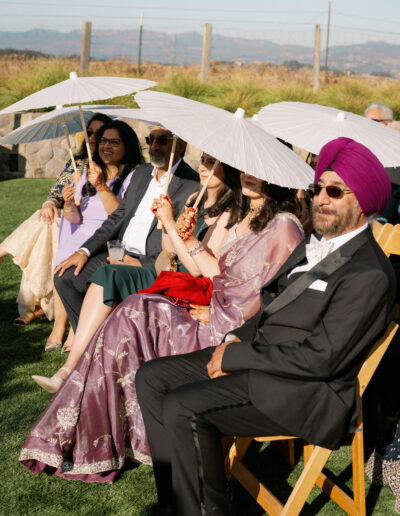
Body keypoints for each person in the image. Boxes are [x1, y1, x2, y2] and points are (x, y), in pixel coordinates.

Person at [134, 137, 396, 516]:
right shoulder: (314, 243)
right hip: (261, 359)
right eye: (318, 187)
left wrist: (236, 355)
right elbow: (272, 306)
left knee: (183, 405)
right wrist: (236, 337)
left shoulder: (369, 274)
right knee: (152, 378)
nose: (321, 198)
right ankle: (178, 501)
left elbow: (321, 359)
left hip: (305, 392)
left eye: (334, 191)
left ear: (362, 201)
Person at [20, 170, 304, 481]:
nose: (249, 175)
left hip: (229, 330)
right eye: (246, 168)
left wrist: (220, 315)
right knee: (132, 310)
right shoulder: (247, 216)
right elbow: (214, 274)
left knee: (133, 313)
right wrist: (181, 232)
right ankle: (95, 433)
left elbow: (273, 297)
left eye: (259, 170)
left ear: (277, 177)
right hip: (210, 309)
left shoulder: (285, 227)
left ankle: (98, 434)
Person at [31, 153, 244, 391]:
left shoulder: (227, 213)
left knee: (111, 275)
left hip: (188, 283)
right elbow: (169, 251)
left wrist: (174, 227)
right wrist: (166, 222)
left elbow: (196, 271)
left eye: (214, 163)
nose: (205, 167)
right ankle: (69, 369)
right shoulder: (195, 198)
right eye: (204, 160)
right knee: (107, 273)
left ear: (229, 168)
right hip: (168, 270)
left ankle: (75, 369)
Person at [53, 126, 199, 331]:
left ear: (181, 145)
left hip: (148, 262)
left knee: (107, 278)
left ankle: (98, 341)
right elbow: (117, 217)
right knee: (65, 277)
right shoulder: (142, 172)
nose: (154, 146)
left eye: (163, 140)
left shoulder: (192, 184)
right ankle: (89, 341)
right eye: (151, 140)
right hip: (118, 252)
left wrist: (142, 263)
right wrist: (83, 251)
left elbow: (178, 241)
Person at [0, 113, 111, 336]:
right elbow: (56, 194)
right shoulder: (78, 163)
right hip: (70, 222)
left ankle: (37, 306)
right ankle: (42, 309)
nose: (92, 138)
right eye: (89, 133)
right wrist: (51, 203)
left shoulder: (111, 168)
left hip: (93, 231)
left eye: (98, 135)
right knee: (45, 218)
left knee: (46, 232)